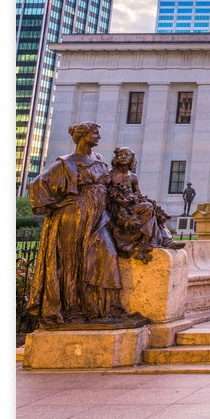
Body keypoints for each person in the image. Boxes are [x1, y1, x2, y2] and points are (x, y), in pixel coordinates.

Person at [27, 121, 127, 328]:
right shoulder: (67, 162)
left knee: (105, 255)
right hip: (73, 217)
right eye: (95, 133)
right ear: (83, 136)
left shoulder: (99, 160)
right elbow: (37, 184)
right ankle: (73, 310)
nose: (98, 137)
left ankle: (98, 308)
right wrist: (57, 204)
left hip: (98, 217)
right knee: (73, 262)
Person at [104, 146, 183, 260]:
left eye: (126, 155)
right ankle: (152, 243)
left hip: (131, 206)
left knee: (155, 211)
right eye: (120, 154)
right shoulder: (110, 175)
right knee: (148, 208)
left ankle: (165, 240)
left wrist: (139, 200)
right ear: (115, 158)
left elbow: (138, 195)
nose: (123, 157)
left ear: (132, 159)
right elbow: (106, 194)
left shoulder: (132, 177)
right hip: (117, 208)